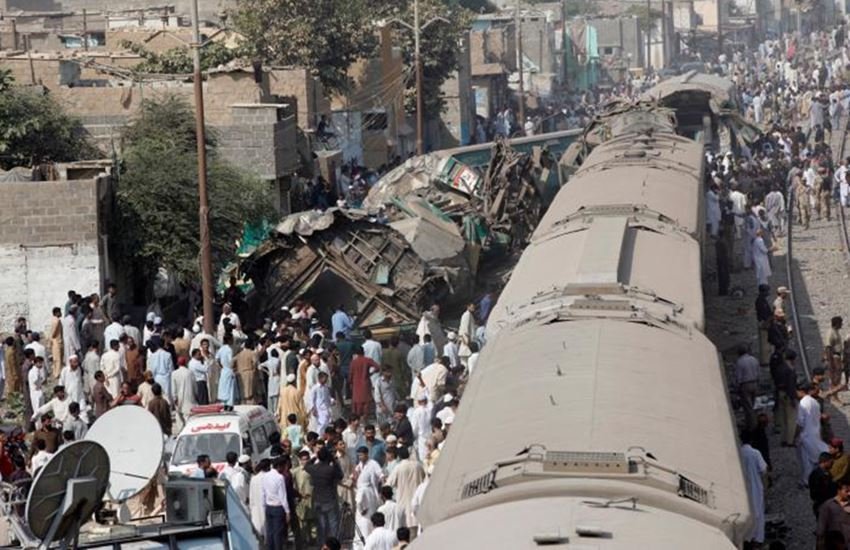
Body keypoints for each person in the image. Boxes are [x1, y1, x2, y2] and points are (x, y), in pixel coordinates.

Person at [305, 446, 344, 546]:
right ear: (328, 457)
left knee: (321, 526)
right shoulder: (330, 469)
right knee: (333, 524)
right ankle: (334, 546)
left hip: (318, 500)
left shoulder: (313, 468)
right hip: (330, 499)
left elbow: (306, 466)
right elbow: (340, 475)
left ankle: (322, 546)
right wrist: (334, 461)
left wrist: (314, 458)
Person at [799, 381, 830, 487]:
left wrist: (795, 436)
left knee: (807, 460)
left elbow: (800, 422)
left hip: (806, 435)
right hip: (816, 432)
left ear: (801, 391)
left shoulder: (802, 403)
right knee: (816, 456)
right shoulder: (815, 402)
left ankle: (807, 481)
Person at [386, 446, 424, 528]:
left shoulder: (399, 467)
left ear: (399, 456)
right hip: (418, 502)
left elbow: (388, 484)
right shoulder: (418, 465)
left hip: (403, 503)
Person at [354, 445, 383, 547]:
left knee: (369, 520)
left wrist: (381, 490)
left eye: (361, 455)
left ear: (366, 454)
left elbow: (381, 476)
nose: (360, 457)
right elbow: (354, 475)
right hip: (362, 495)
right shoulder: (359, 465)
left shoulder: (373, 464)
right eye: (359, 456)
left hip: (371, 495)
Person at [262, 457, 292, 550]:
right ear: (279, 466)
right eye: (283, 466)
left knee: (270, 532)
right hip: (278, 507)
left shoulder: (266, 476)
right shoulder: (280, 478)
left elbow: (263, 493)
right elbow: (282, 496)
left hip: (268, 506)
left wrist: (264, 506)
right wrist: (287, 511)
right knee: (277, 534)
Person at [816, 480, 850, 547]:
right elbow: (821, 528)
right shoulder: (828, 505)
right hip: (834, 544)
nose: (849, 494)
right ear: (839, 490)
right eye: (847, 491)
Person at [735, 345, 760, 430]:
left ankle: (752, 426)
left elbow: (739, 377)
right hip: (755, 383)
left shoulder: (740, 362)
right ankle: (753, 421)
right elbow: (758, 372)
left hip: (745, 385)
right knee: (752, 404)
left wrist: (737, 388)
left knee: (748, 407)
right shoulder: (754, 359)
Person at [350, 347, 378, 418]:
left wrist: (350, 382)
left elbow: (350, 374)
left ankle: (357, 418)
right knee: (366, 402)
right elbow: (377, 367)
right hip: (365, 383)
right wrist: (370, 373)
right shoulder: (367, 360)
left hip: (356, 384)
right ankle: (365, 418)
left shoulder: (354, 362)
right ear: (363, 352)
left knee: (357, 402)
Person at [172, 356, 197, 433]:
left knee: (179, 415)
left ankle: (181, 431)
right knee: (188, 414)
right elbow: (194, 386)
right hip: (189, 396)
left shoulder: (174, 373)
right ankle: (189, 430)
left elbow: (173, 387)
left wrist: (174, 397)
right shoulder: (190, 372)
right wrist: (196, 394)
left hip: (179, 397)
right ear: (185, 363)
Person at [811, 452, 839, 518]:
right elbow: (818, 493)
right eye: (830, 462)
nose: (832, 464)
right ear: (825, 462)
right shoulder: (818, 475)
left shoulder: (825, 473)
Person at [147, 339, 174, 405]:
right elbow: (171, 368)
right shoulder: (168, 354)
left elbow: (151, 369)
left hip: (157, 377)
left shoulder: (152, 356)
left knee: (158, 394)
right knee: (167, 394)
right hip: (166, 377)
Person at [250, 459, 271, 535]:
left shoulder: (254, 478)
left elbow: (251, 496)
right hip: (268, 506)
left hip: (256, 507)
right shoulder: (268, 477)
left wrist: (251, 507)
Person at [217, 334, 237, 407]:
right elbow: (230, 361)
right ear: (229, 340)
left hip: (223, 370)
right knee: (230, 388)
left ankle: (223, 403)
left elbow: (217, 359)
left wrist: (222, 366)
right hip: (229, 370)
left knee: (223, 387)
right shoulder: (229, 350)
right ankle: (229, 404)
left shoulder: (221, 349)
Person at [48, 307, 64, 378]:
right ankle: (57, 373)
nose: (61, 313)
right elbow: (53, 333)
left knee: (56, 358)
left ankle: (56, 372)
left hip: (55, 341)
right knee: (58, 359)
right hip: (57, 341)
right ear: (57, 313)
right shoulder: (57, 321)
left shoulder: (53, 320)